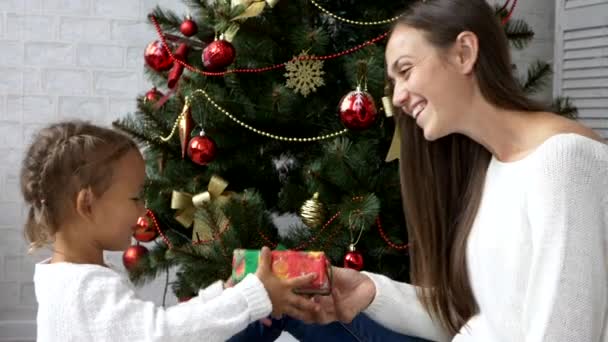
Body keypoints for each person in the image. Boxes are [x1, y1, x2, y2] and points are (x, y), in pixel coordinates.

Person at [306, 0, 608, 341]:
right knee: (291, 312)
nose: (399, 97)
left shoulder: (563, 163)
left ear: (464, 52)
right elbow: (486, 317)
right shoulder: (498, 163)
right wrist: (372, 291)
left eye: (405, 71)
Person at [20, 120, 319, 342]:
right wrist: (250, 297)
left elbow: (151, 327)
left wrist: (224, 294)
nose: (142, 210)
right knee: (270, 311)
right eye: (135, 198)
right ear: (87, 204)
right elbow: (163, 335)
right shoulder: (82, 289)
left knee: (265, 312)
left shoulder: (74, 277)